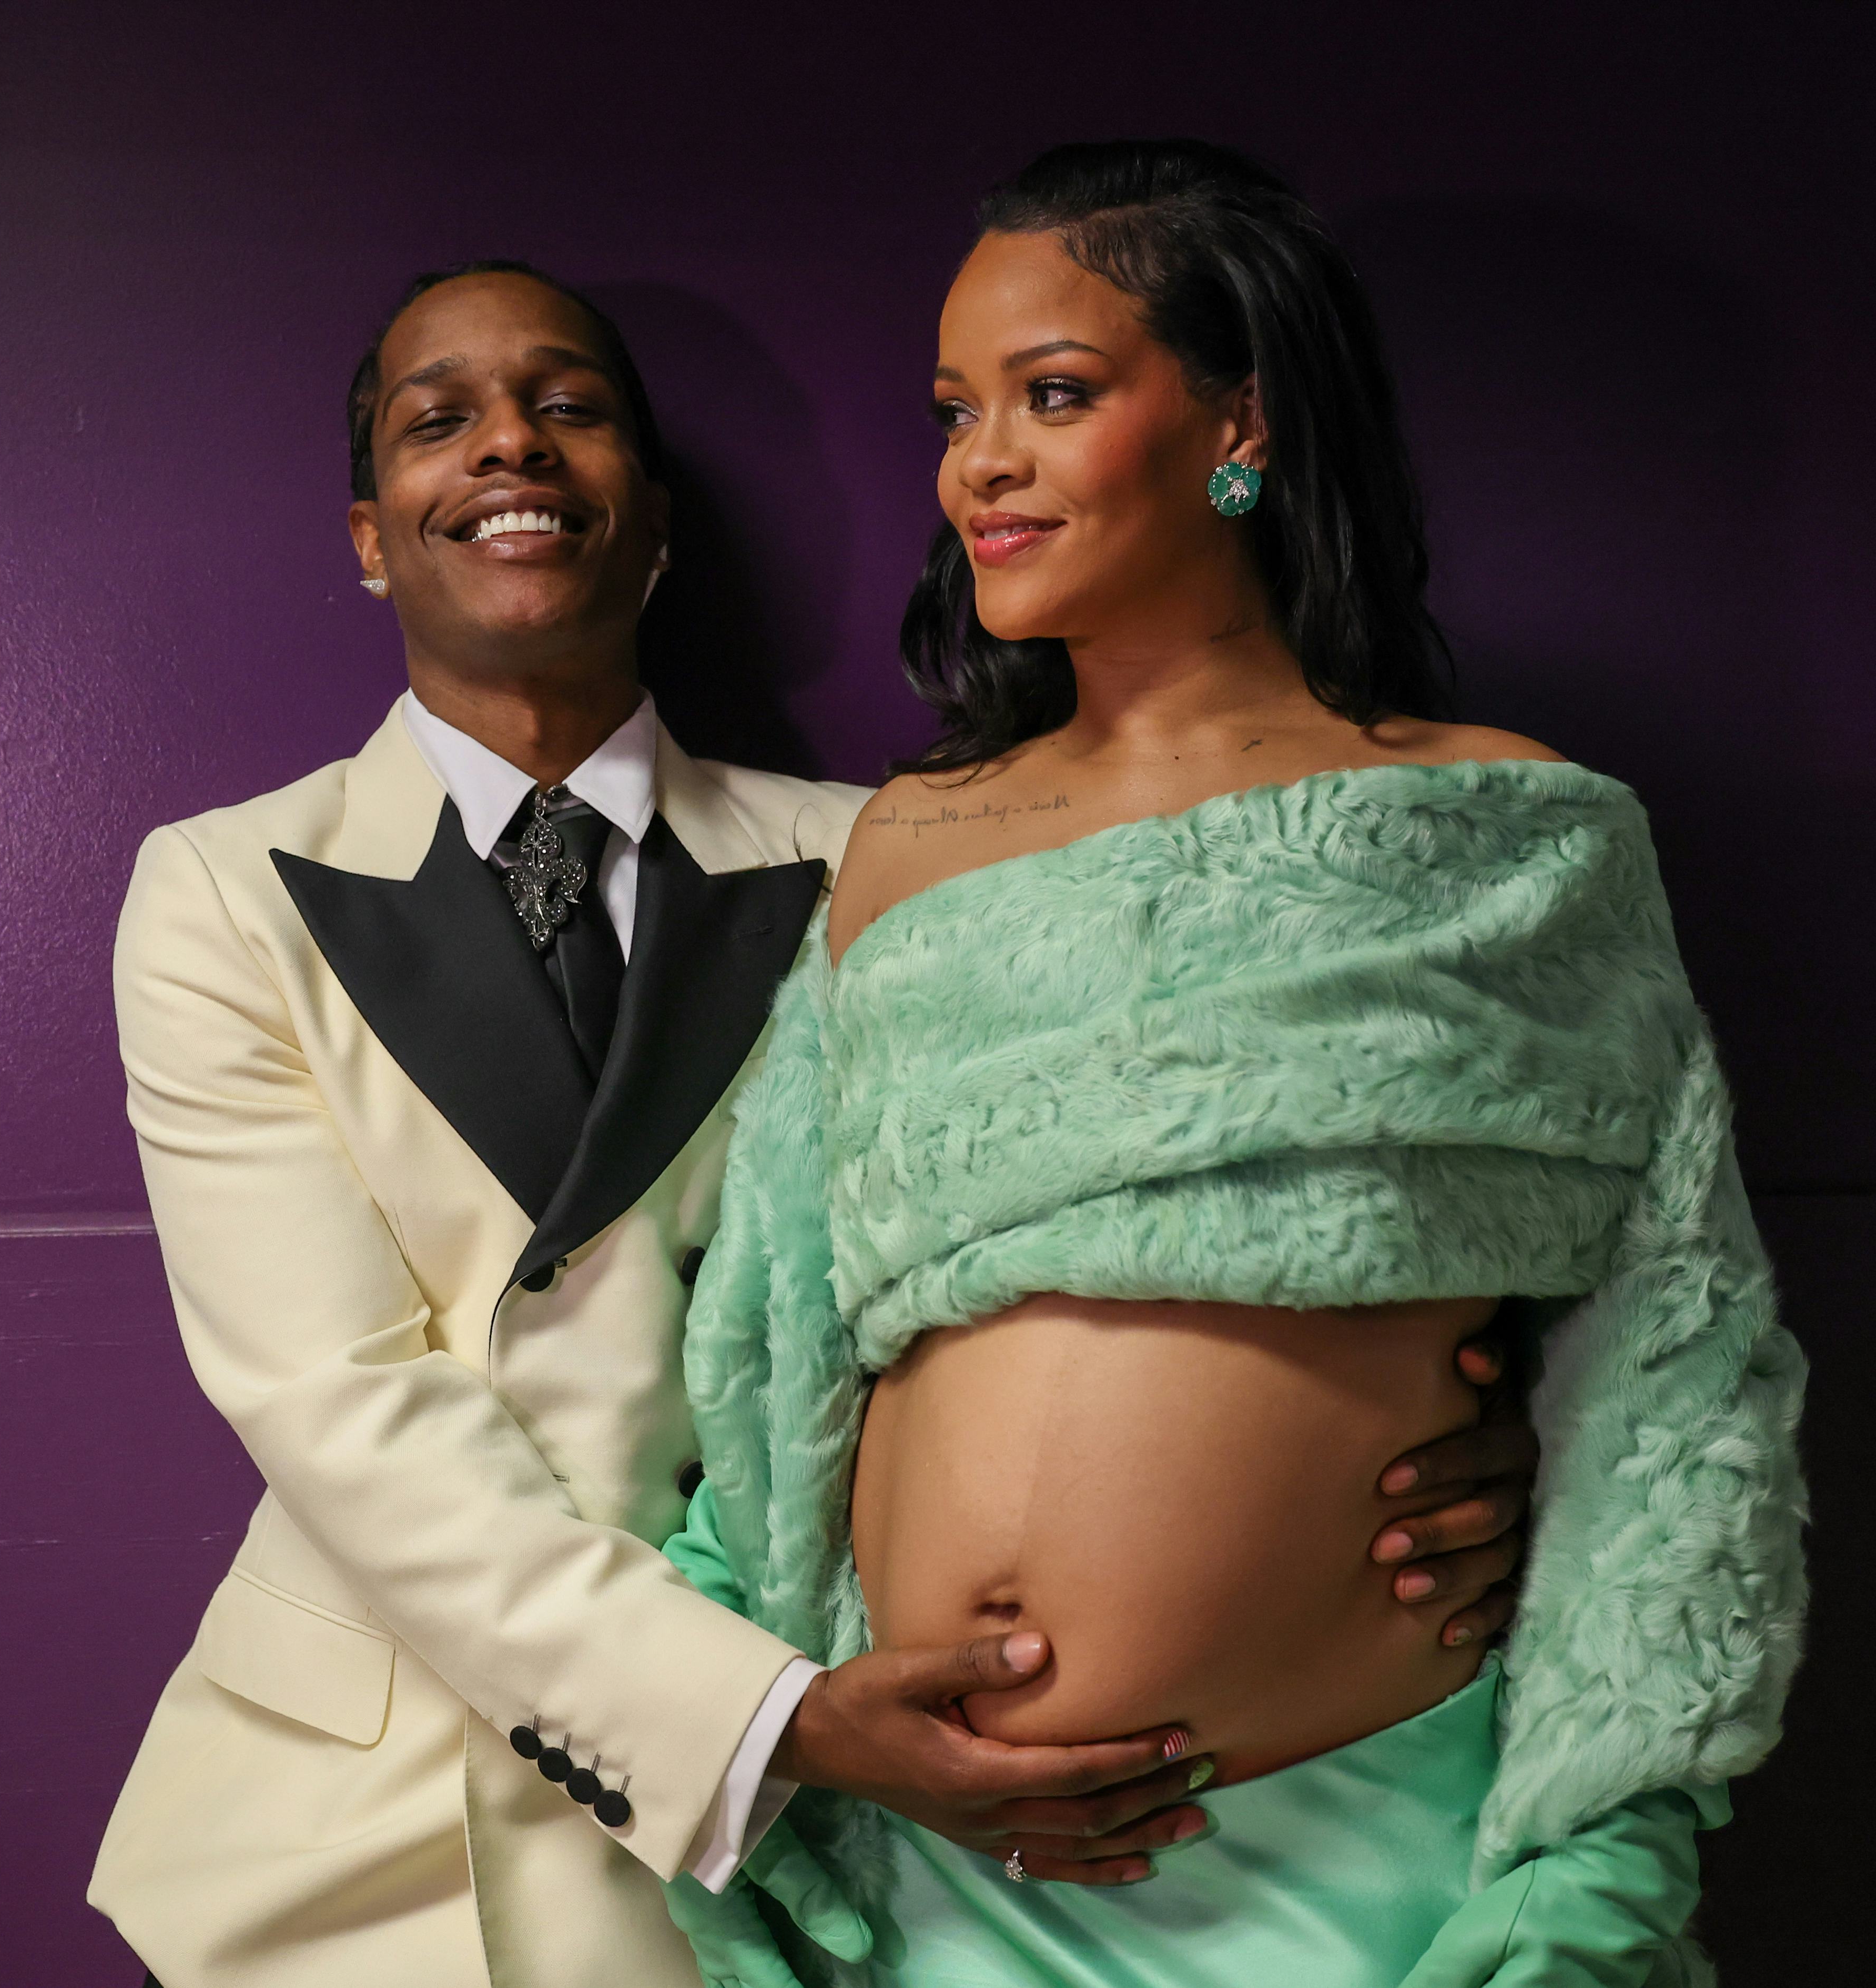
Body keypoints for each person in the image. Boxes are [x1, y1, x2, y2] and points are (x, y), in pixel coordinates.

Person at [85, 258, 1540, 1988]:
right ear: (369, 532)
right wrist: (769, 1716)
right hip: (376, 1827)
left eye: (570, 408)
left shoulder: (893, 851)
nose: (510, 449)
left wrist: (1435, 1453)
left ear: (657, 517)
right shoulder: (220, 889)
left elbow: (1125, 1238)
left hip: (848, 1844)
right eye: (438, 419)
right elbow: (335, 1399)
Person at [663, 142, 1809, 1986]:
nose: (979, 463)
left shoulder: (1508, 834)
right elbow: (778, 1339)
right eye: (957, 409)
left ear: (1238, 420)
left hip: (1357, 1858)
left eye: (1055, 393)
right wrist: (788, 1711)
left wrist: (1600, 1848)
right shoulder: (910, 844)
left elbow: (1677, 1379)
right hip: (938, 1857)